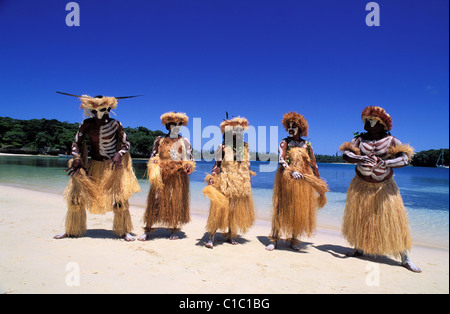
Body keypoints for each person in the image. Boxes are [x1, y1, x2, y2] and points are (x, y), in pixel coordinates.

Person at [339, 106, 421, 272]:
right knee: (360, 218)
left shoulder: (391, 141)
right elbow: (346, 154)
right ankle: (359, 248)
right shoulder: (359, 140)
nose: (368, 123)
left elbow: (405, 159)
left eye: (372, 120)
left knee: (395, 222)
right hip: (361, 185)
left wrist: (386, 163)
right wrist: (360, 157)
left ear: (382, 123)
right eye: (366, 120)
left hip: (384, 187)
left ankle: (404, 257)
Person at [54, 92, 141, 241]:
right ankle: (72, 230)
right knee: (76, 197)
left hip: (112, 168)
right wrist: (76, 157)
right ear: (94, 111)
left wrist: (119, 154)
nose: (106, 113)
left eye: (108, 109)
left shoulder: (116, 124)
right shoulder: (86, 125)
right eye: (102, 110)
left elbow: (126, 144)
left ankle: (123, 230)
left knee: (120, 199)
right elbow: (76, 143)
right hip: (93, 166)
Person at [266, 112, 328, 251]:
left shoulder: (307, 144)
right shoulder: (284, 142)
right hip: (286, 179)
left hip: (303, 181)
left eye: (294, 126)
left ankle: (294, 239)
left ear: (300, 128)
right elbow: (281, 159)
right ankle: (274, 238)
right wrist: (291, 171)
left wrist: (317, 181)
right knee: (280, 207)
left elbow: (313, 163)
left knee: (298, 209)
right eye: (289, 126)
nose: (291, 129)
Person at [138, 112, 195, 241]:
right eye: (172, 124)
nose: (175, 126)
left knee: (175, 201)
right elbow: (153, 155)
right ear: (168, 126)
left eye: (178, 124)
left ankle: (174, 228)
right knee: (155, 200)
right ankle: (148, 230)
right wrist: (154, 165)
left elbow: (190, 158)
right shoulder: (160, 139)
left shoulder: (184, 141)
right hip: (161, 174)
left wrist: (188, 166)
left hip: (177, 175)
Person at [203, 116, 255, 248]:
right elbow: (217, 165)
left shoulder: (245, 147)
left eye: (239, 130)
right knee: (219, 209)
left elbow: (247, 165)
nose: (236, 133)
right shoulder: (223, 146)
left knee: (234, 209)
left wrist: (248, 177)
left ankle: (231, 234)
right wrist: (212, 178)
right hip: (225, 181)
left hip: (240, 183)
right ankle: (211, 237)